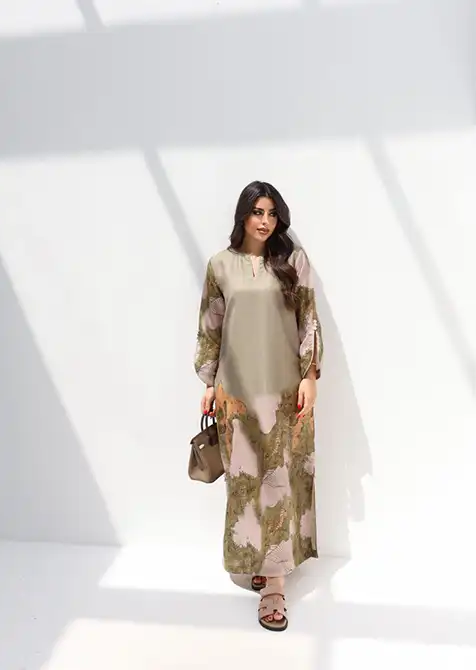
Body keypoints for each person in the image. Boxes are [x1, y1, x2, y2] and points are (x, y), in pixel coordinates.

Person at [194, 181, 323, 632]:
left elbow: (309, 319)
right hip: (235, 397)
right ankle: (256, 561)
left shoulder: (293, 263)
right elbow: (210, 328)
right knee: (245, 486)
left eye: (271, 213)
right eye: (257, 212)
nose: (265, 221)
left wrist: (310, 376)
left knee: (278, 485)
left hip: (284, 395)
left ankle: (274, 586)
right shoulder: (220, 265)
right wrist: (208, 383)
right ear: (243, 216)